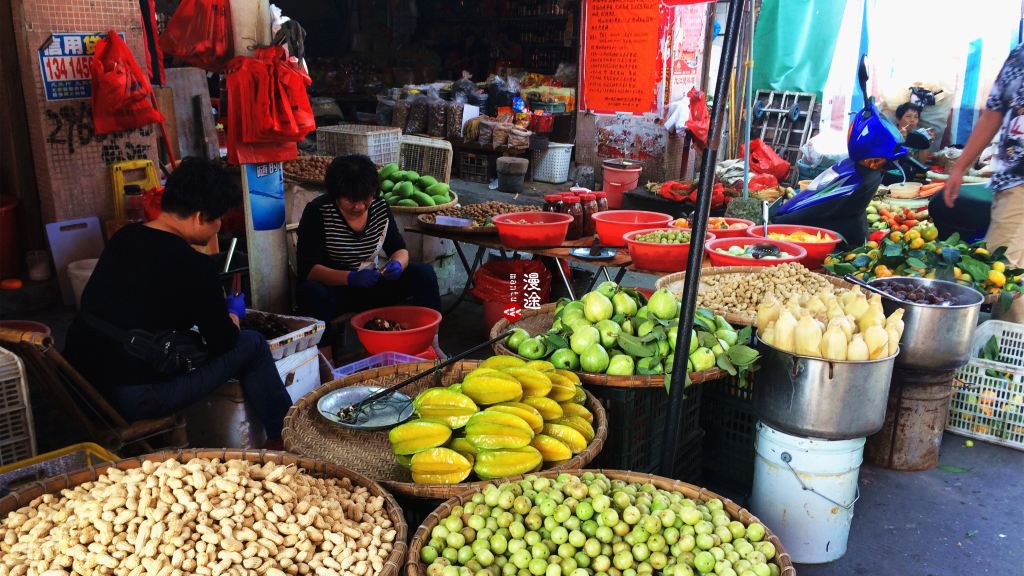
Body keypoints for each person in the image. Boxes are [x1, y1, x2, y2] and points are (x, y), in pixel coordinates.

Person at [64, 157, 293, 445]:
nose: (219, 227)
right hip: (137, 397)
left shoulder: (125, 237)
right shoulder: (195, 266)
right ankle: (287, 439)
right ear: (200, 217)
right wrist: (233, 315)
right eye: (218, 219)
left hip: (83, 386)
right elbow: (224, 342)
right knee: (252, 344)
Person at [296, 154, 442, 348]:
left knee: (423, 274)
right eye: (351, 200)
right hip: (337, 291)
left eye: (365, 199)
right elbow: (308, 270)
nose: (359, 206)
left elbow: (399, 248)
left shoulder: (379, 207)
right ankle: (325, 360)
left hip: (372, 284)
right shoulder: (318, 211)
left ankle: (430, 344)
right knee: (310, 292)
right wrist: (350, 278)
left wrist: (398, 264)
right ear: (336, 195)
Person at [944, 44, 1024, 323]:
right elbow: (993, 113)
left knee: (1006, 274)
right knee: (1006, 273)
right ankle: (1007, 354)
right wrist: (960, 166)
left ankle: (1008, 356)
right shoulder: (1020, 55)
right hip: (1017, 181)